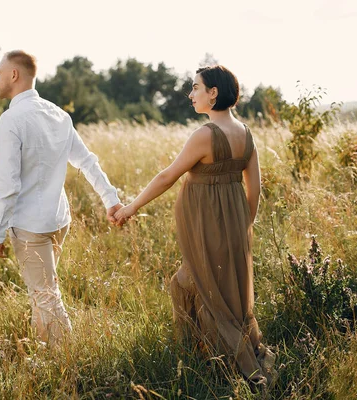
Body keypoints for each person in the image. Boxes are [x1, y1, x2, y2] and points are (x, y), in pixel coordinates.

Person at [114, 65, 276, 386]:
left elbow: (167, 176)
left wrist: (130, 207)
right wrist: (243, 227)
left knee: (202, 292)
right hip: (235, 225)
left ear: (213, 93)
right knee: (200, 287)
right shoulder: (246, 134)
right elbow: (254, 189)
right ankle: (199, 354)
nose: (191, 94)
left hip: (205, 227)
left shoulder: (205, 135)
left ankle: (215, 366)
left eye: (196, 87)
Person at [0, 50, 122, 347]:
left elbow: (8, 185)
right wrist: (110, 199)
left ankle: (69, 364)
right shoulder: (59, 114)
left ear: (14, 75)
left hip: (31, 228)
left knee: (46, 296)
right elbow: (87, 161)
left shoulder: (11, 119)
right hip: (59, 221)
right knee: (44, 291)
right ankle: (47, 354)